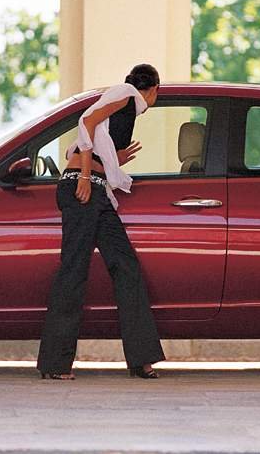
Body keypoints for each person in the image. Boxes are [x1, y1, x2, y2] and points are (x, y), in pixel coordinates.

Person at [36, 63, 166, 380]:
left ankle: (141, 359)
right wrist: (83, 175)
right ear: (153, 89)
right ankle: (55, 364)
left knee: (126, 268)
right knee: (73, 273)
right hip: (82, 189)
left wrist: (112, 162)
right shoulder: (125, 94)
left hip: (99, 194)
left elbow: (97, 135)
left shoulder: (127, 108)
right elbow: (87, 121)